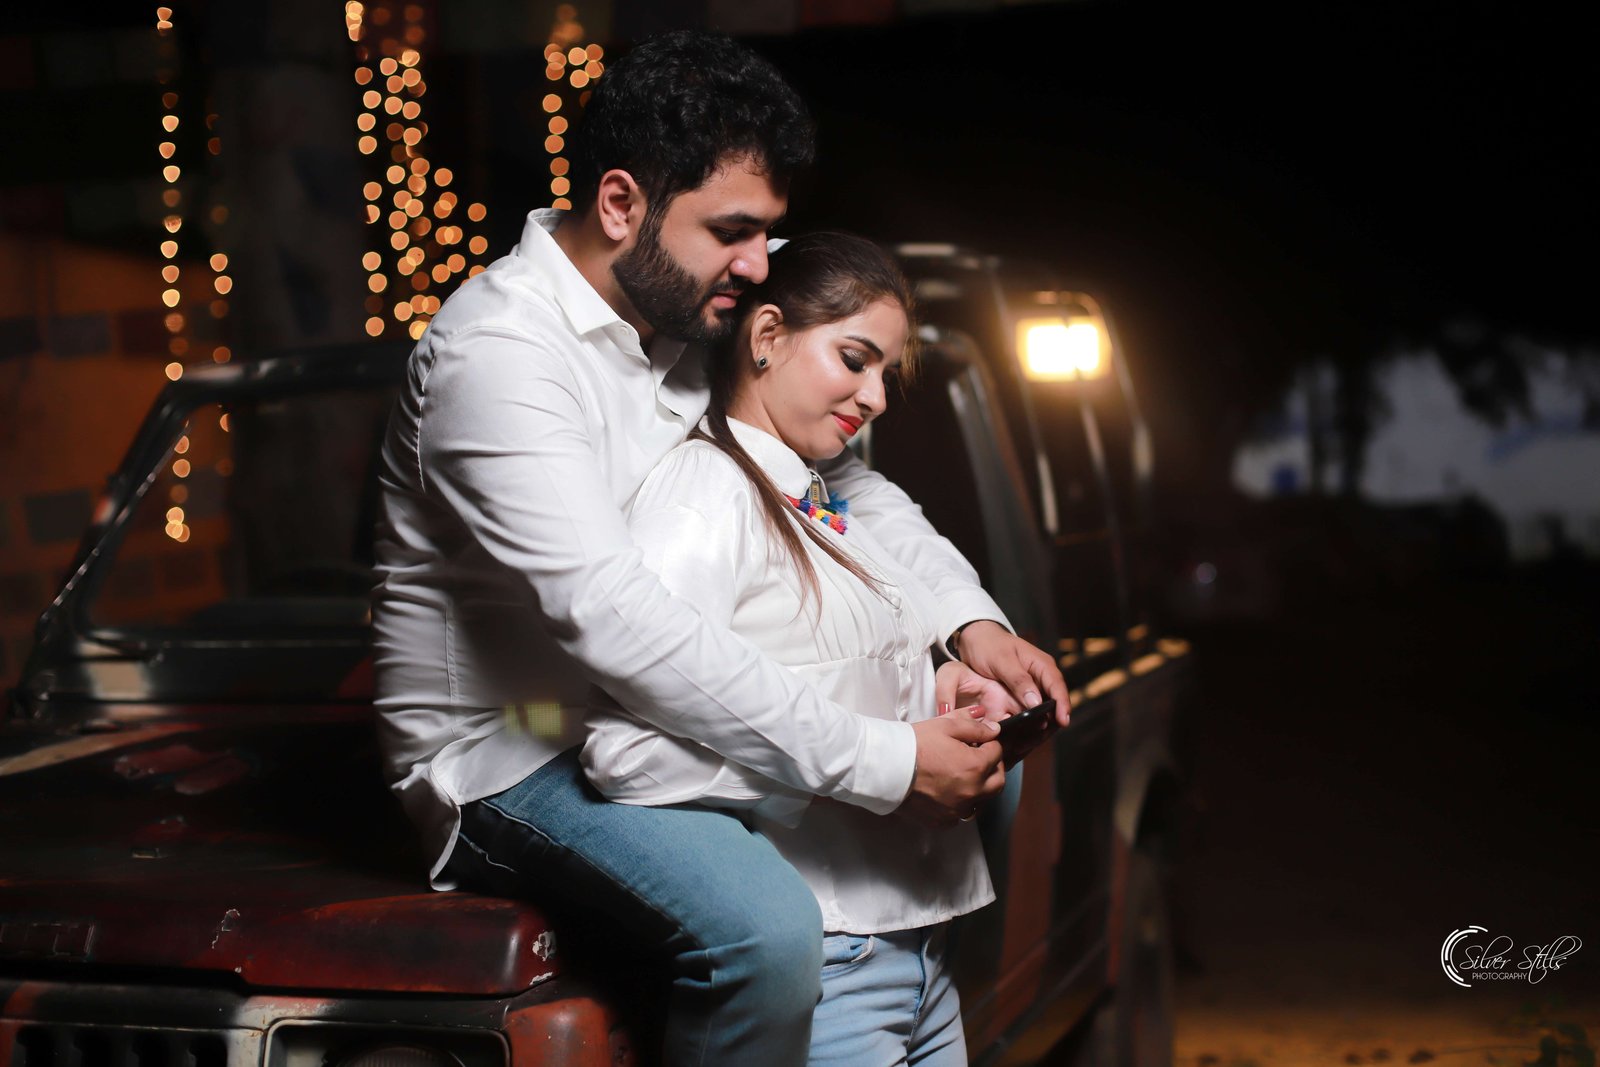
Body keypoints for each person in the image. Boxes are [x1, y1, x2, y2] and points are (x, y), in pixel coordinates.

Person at [371, 30, 1068, 1065]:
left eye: (767, 233)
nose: (758, 264)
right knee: (767, 929)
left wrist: (969, 623)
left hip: (640, 719)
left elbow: (845, 489)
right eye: (732, 232)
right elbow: (613, 615)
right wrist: (883, 758)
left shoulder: (685, 321)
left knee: (985, 779)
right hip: (513, 748)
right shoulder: (500, 353)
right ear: (621, 204)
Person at [585, 231, 1016, 1066]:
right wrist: (882, 771)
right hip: (833, 967)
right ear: (768, 334)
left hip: (919, 959)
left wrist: (938, 688)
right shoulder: (703, 497)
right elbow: (629, 753)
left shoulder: (812, 489)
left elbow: (817, 672)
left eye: (886, 372)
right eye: (855, 359)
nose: (876, 396)